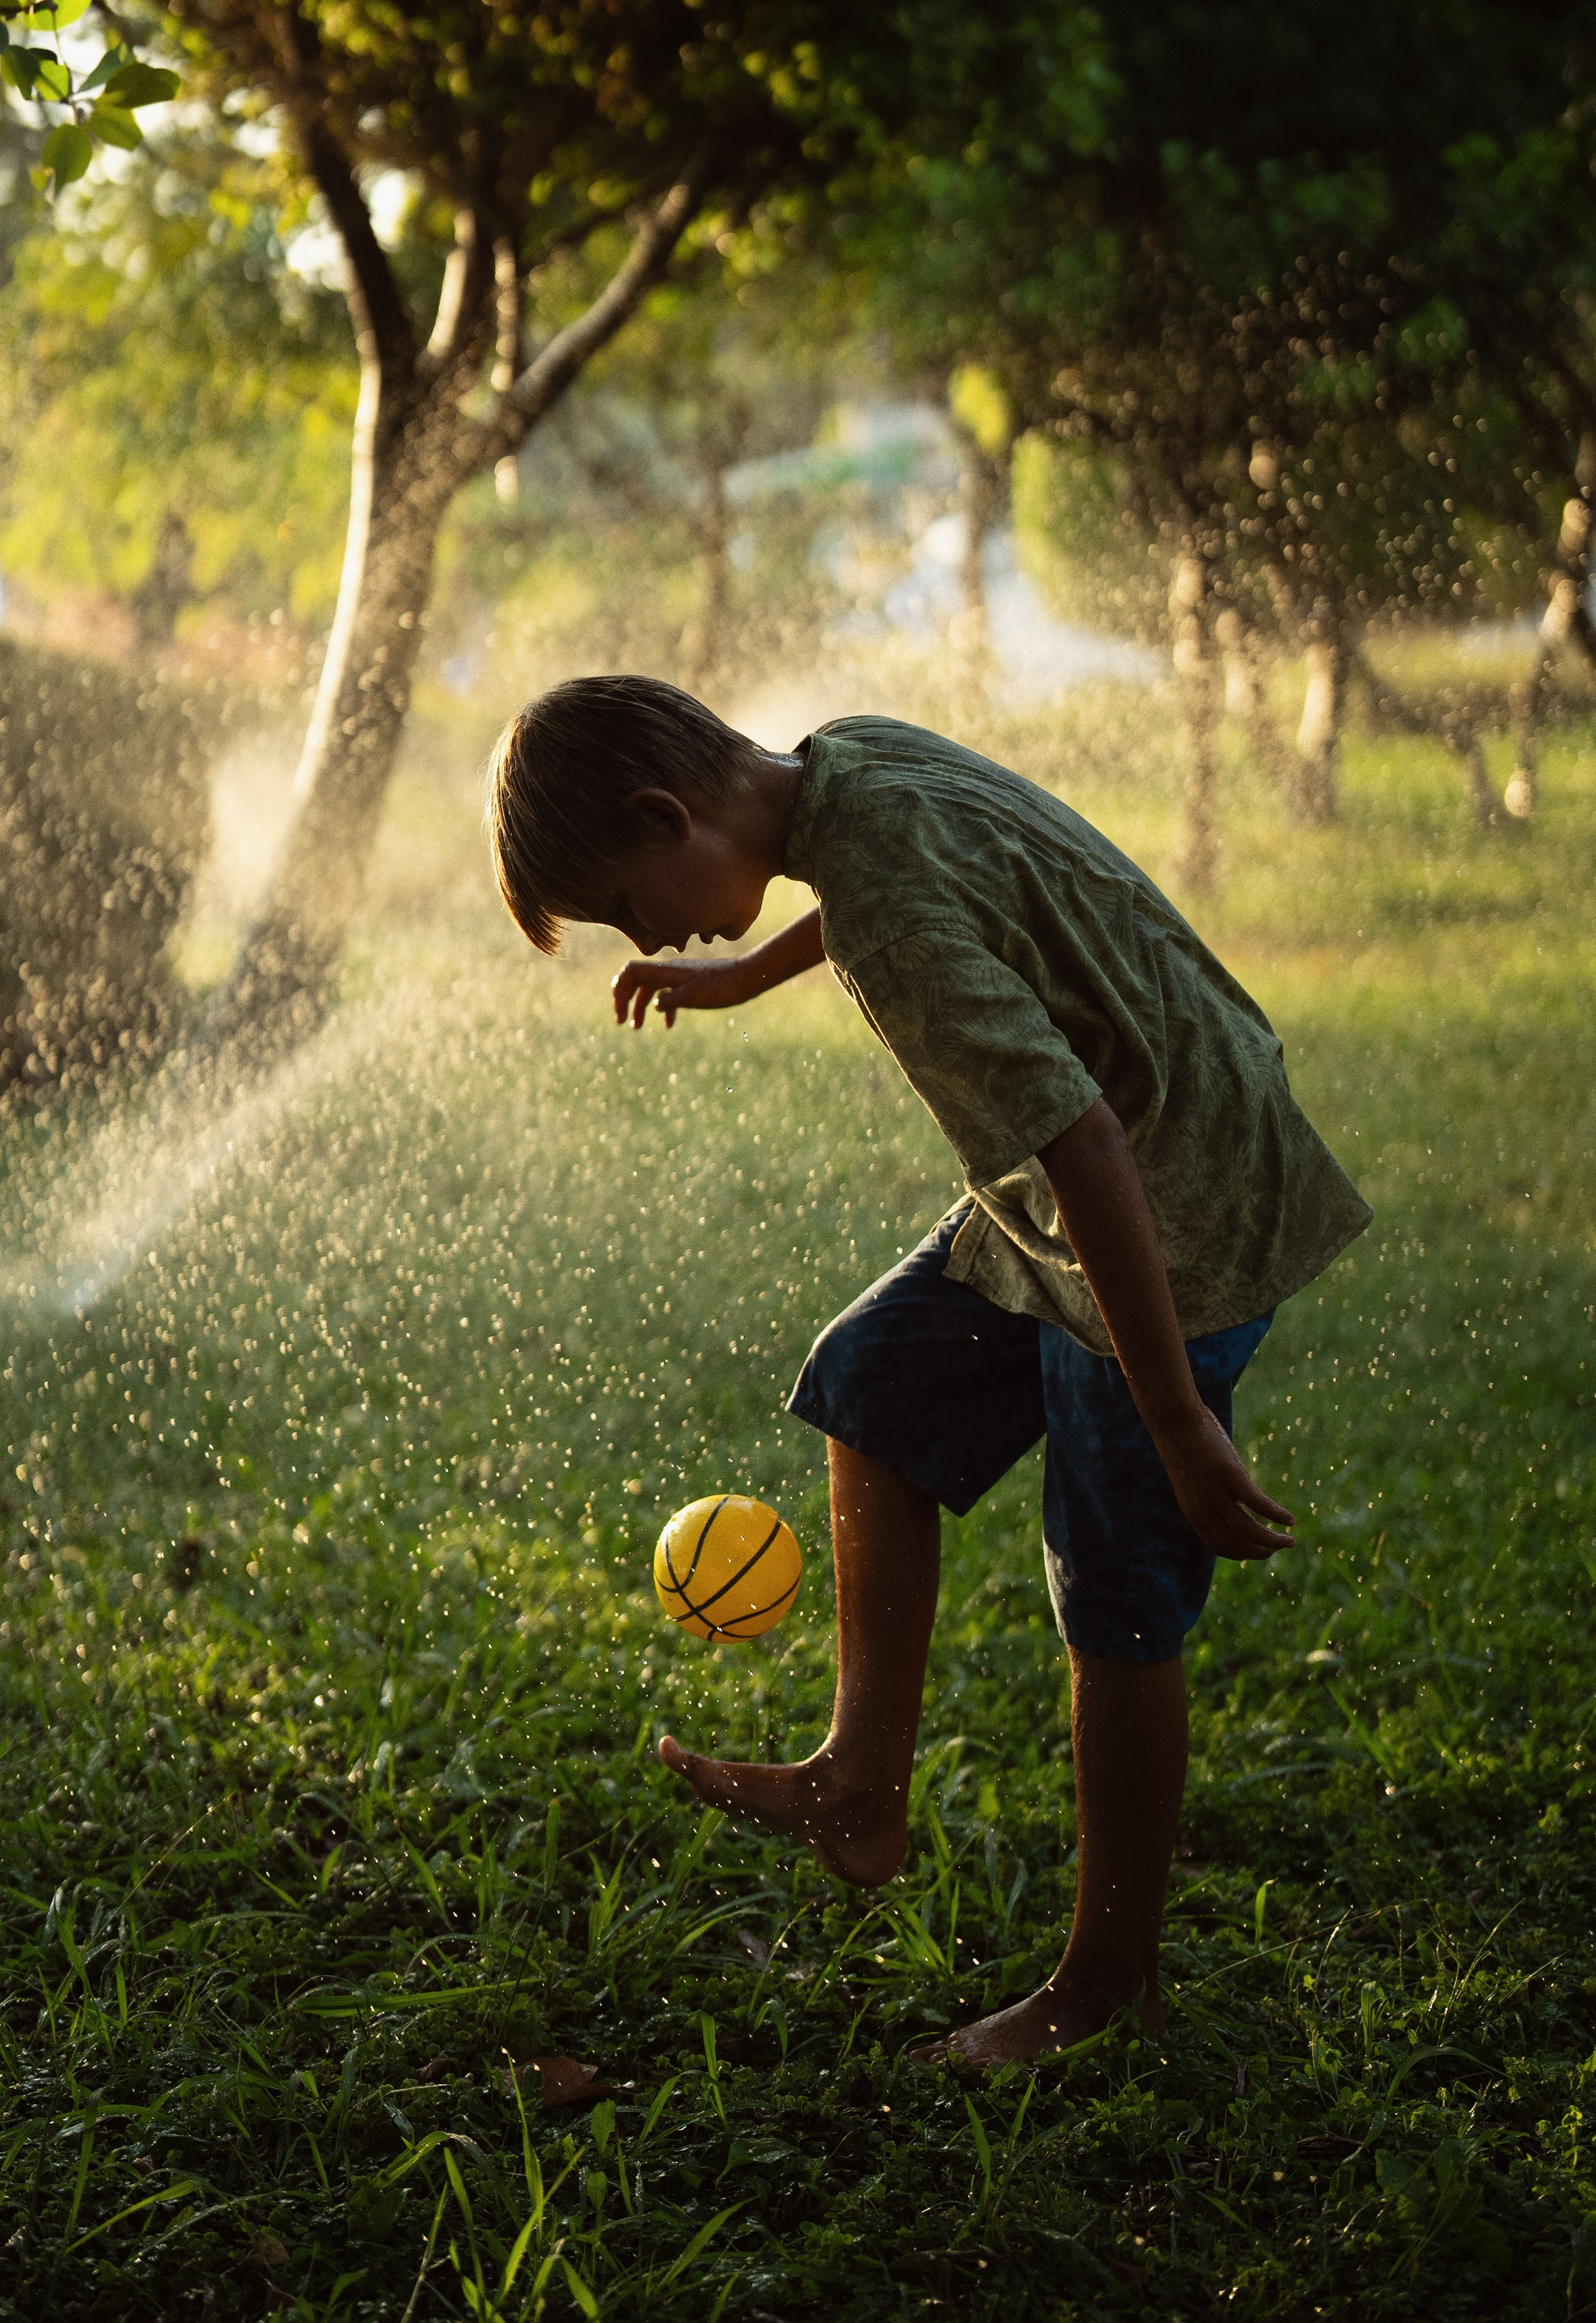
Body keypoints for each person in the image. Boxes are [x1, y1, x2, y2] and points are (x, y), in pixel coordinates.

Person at [487, 676, 1370, 2066]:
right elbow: (884, 896)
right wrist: (737, 972)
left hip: (1163, 1196)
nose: (643, 933)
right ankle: (858, 1780)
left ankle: (1102, 1993)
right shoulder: (847, 762)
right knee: (871, 1386)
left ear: (670, 814)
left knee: (1115, 1585)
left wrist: (1174, 1415)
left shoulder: (888, 912)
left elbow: (1081, 1142)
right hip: (1121, 1146)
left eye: (628, 900)